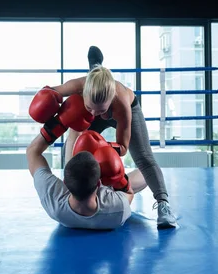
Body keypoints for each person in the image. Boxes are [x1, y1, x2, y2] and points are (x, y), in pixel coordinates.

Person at [37, 46, 177, 230]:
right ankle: (73, 189)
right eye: (90, 107)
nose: (94, 113)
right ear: (83, 94)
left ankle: (163, 204)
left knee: (144, 157)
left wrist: (103, 149)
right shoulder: (78, 86)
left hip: (124, 107)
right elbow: (50, 92)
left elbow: (124, 147)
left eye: (100, 109)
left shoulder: (122, 107)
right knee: (75, 137)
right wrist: (46, 102)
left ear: (110, 101)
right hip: (91, 97)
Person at [27, 91, 146, 230]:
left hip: (76, 198)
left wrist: (59, 122)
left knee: (76, 126)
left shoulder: (54, 203)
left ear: (65, 181)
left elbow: (32, 152)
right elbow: (128, 193)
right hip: (103, 197)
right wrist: (120, 179)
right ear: (99, 183)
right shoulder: (118, 210)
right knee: (146, 173)